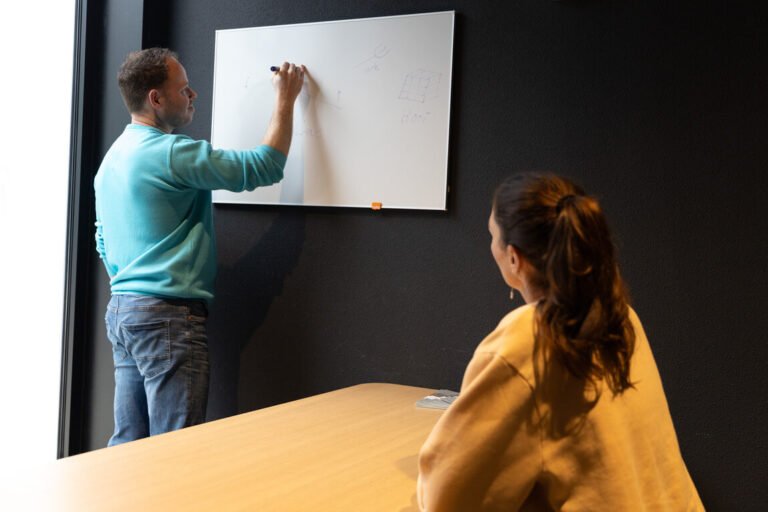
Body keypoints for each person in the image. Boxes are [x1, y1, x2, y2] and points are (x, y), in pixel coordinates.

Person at [417, 174, 704, 510]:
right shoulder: (621, 317)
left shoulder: (528, 339)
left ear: (514, 258)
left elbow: (447, 499)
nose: (490, 247)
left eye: (492, 236)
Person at [94, 48, 306, 446]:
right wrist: (285, 98)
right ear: (156, 98)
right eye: (184, 89)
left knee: (128, 447)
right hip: (166, 315)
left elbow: (102, 240)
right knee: (175, 449)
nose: (193, 95)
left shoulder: (113, 158)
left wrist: (134, 283)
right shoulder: (171, 152)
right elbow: (264, 167)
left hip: (123, 310)